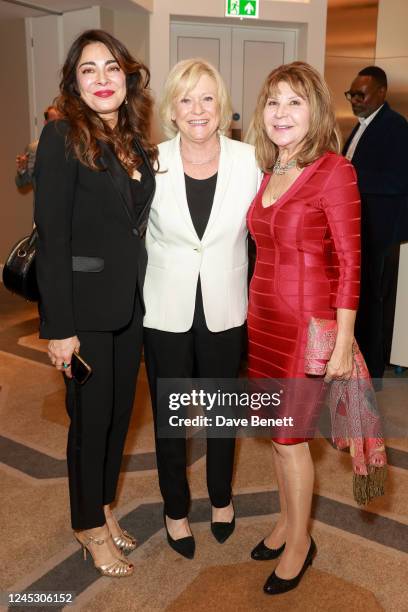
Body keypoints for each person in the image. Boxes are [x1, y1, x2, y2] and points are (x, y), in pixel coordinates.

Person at [34, 29, 157, 577]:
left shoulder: (130, 140)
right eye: (89, 70)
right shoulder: (63, 139)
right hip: (83, 312)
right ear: (75, 82)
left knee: (119, 420)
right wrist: (58, 328)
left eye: (111, 68)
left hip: (129, 306)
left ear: (127, 77)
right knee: (89, 422)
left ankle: (103, 507)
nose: (102, 79)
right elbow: (52, 239)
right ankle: (86, 525)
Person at [247, 62, 361, 595]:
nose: (281, 113)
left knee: (291, 438)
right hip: (263, 322)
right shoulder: (273, 168)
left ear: (315, 109)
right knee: (275, 438)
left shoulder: (334, 170)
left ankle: (300, 544)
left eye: (294, 102)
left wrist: (342, 341)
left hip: (305, 327)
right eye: (273, 102)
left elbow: (351, 263)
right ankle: (285, 522)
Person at [143, 58, 259, 559]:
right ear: (171, 107)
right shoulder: (148, 162)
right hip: (165, 309)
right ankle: (174, 509)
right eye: (186, 98)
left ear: (222, 105)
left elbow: (268, 233)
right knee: (171, 416)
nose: (197, 109)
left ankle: (221, 499)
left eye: (207, 97)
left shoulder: (250, 160)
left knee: (221, 412)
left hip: (225, 307)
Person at [343, 66, 408, 383]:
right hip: (360, 228)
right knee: (361, 299)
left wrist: (350, 178)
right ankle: (359, 364)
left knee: (373, 301)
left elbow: (398, 181)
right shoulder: (360, 127)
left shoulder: (395, 127)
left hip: (381, 232)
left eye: (361, 94)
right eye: (351, 94)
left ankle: (371, 371)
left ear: (381, 92)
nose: (355, 100)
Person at [15, 106, 61, 189]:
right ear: (45, 123)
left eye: (60, 122)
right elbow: (21, 183)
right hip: (44, 201)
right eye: (54, 122)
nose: (57, 126)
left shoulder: (73, 147)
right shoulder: (34, 149)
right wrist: (22, 169)